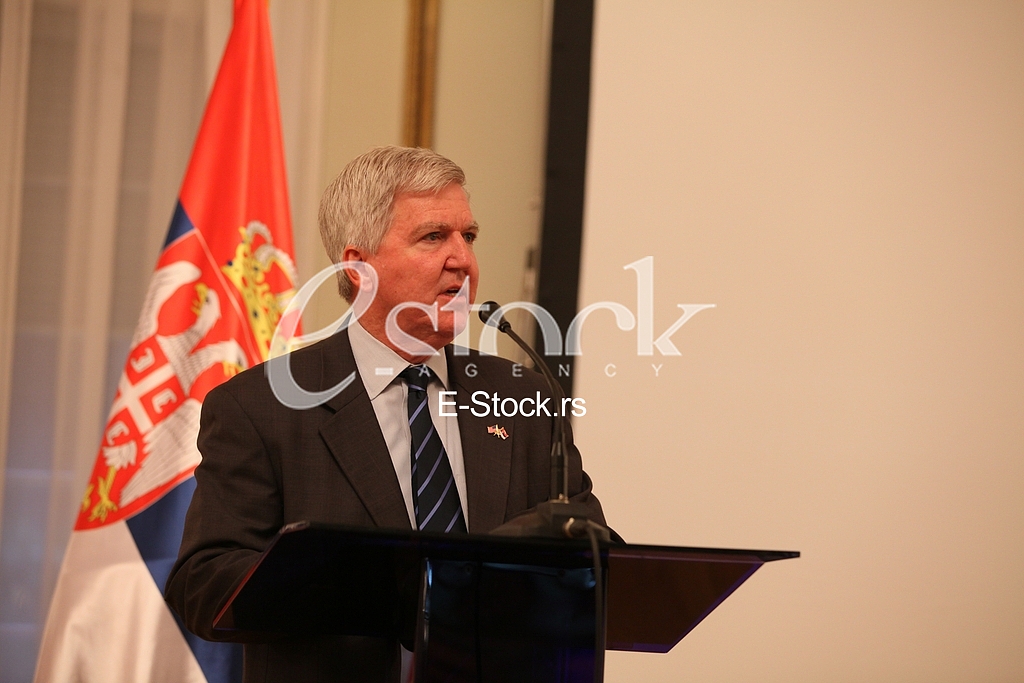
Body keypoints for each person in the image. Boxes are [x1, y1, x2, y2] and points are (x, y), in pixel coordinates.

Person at [165, 146, 608, 682]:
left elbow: (594, 553)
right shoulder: (263, 406)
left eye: (468, 237)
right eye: (433, 237)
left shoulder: (523, 394)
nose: (462, 260)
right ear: (359, 267)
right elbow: (204, 584)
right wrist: (372, 585)